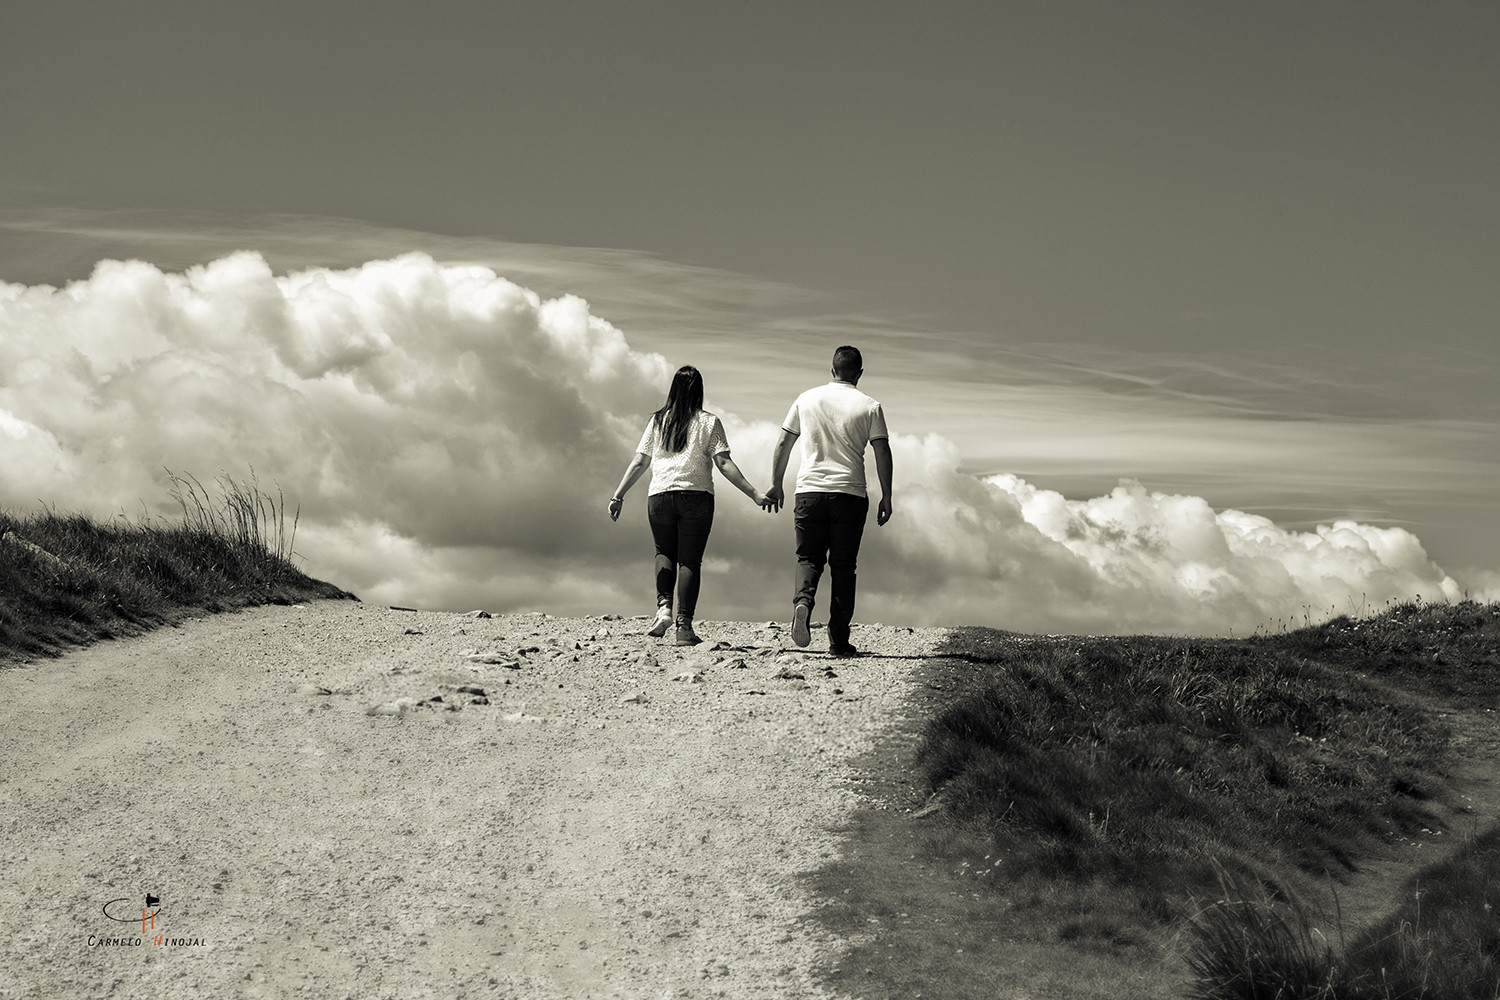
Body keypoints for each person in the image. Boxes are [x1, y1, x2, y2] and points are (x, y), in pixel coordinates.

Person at [609, 365, 769, 646]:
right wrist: (753, 493)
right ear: (699, 391)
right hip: (696, 496)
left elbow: (640, 461)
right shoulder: (709, 422)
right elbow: (723, 463)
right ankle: (684, 628)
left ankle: (664, 608)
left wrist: (618, 495)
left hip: (659, 496)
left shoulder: (658, 421)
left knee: (664, 552)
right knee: (690, 560)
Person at [763, 345, 893, 657]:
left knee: (808, 559)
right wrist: (887, 494)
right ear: (859, 373)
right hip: (849, 494)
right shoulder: (870, 406)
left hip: (809, 491)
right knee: (844, 567)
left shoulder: (806, 398)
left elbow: (784, 441)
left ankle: (803, 602)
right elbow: (882, 451)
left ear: (831, 369)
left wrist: (776, 484)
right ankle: (838, 639)